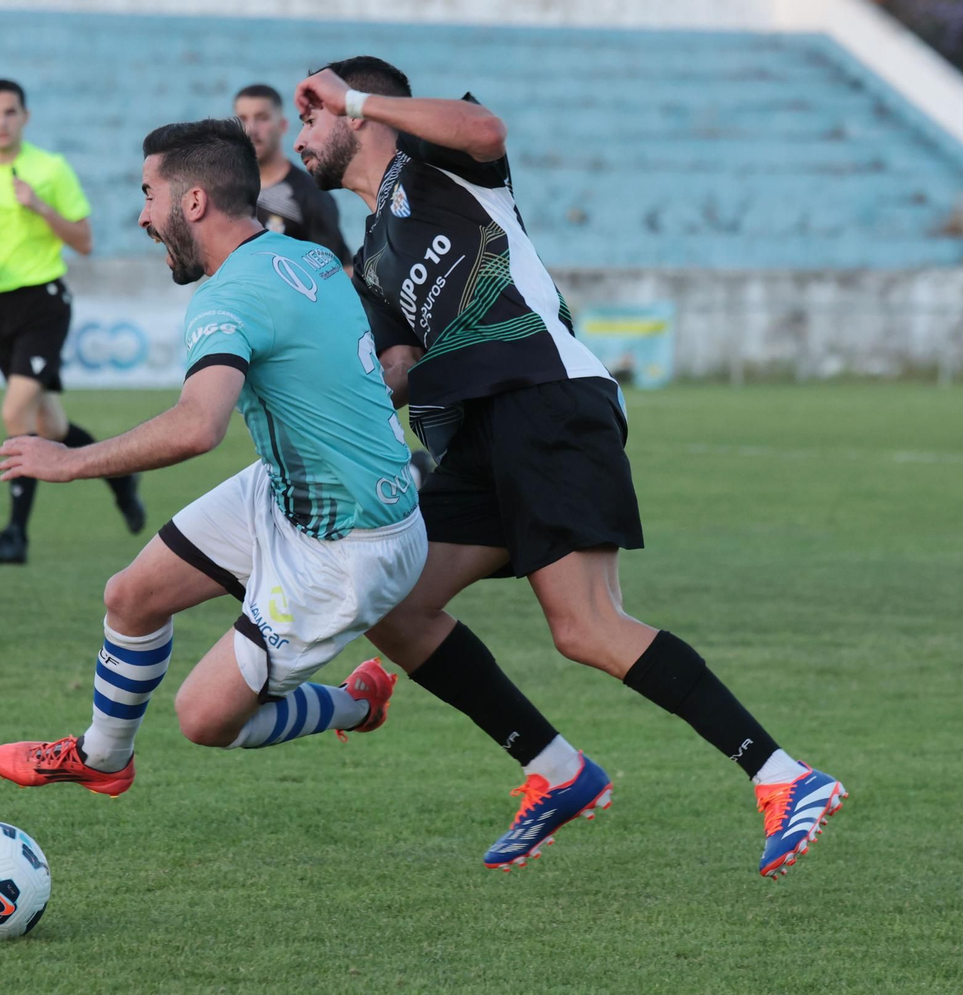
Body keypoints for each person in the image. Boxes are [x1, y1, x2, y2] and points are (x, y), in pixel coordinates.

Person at [292, 57, 845, 880]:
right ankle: (557, 769)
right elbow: (400, 365)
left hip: (546, 396)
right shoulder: (371, 251)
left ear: (360, 114)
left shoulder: (439, 162)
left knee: (586, 626)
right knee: (395, 603)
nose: (302, 136)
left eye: (312, 115)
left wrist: (358, 95)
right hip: (475, 437)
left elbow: (488, 130)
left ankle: (784, 775)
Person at [0, 119, 427, 795]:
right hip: (295, 487)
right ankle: (103, 757)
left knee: (204, 718)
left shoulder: (230, 295)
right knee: (132, 596)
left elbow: (198, 426)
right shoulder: (304, 256)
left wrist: (67, 460)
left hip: (350, 540)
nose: (141, 216)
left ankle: (357, 703)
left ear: (192, 203)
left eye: (147, 195)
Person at [0, 78, 145, 565]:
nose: (1, 122)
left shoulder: (51, 169)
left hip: (44, 302)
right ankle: (122, 478)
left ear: (25, 117)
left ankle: (15, 536)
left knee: (13, 412)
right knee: (52, 424)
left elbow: (84, 241)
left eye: (9, 112)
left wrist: (40, 206)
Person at [232, 84, 350, 265]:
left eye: (262, 118)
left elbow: (341, 271)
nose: (252, 129)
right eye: (243, 119)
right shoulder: (226, 191)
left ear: (283, 126)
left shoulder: (310, 194)